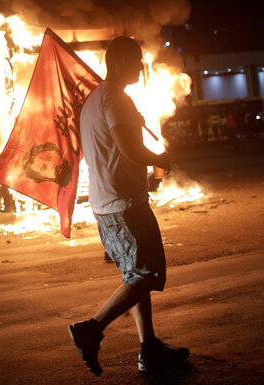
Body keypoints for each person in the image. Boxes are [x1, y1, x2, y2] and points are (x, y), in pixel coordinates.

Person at [68, 36, 189, 376]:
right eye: (136, 60)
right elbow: (130, 150)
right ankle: (91, 328)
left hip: (108, 205)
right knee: (147, 274)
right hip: (125, 205)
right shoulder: (115, 99)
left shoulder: (96, 99)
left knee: (136, 277)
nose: (139, 66)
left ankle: (148, 348)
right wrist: (160, 158)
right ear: (120, 61)